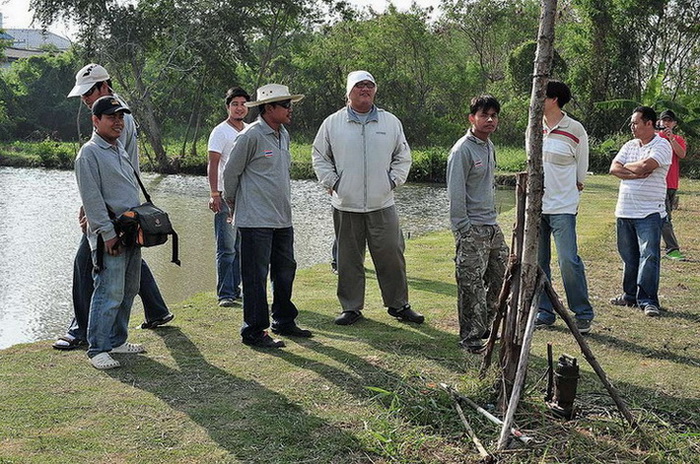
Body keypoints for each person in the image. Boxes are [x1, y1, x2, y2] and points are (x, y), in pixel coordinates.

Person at [53, 63, 173, 351]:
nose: (84, 99)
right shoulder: (104, 124)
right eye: (82, 94)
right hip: (115, 210)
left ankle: (85, 332)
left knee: (92, 265)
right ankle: (153, 311)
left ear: (104, 86)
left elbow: (121, 169)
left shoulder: (119, 117)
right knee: (122, 265)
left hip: (116, 211)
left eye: (88, 92)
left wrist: (100, 216)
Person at [312, 70, 423, 326]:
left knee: (392, 256)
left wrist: (392, 181)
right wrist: (333, 182)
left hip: (382, 203)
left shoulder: (390, 122)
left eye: (369, 85)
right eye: (359, 85)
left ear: (375, 90)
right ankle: (351, 308)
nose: (365, 89)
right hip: (346, 204)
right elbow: (319, 156)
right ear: (349, 92)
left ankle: (398, 305)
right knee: (349, 259)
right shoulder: (332, 123)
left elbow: (403, 156)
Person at [223, 84, 311, 348]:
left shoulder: (283, 134)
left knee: (285, 271)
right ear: (269, 108)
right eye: (285, 105)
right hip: (255, 220)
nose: (290, 109)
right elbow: (230, 174)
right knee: (255, 277)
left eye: (290, 104)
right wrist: (232, 202)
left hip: (282, 219)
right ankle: (253, 331)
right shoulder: (250, 136)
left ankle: (283, 320)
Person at [75, 96, 146, 369]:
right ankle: (98, 348)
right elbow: (91, 200)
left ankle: (117, 339)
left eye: (120, 117)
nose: (118, 122)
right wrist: (107, 234)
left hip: (131, 229)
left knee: (129, 288)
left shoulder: (120, 149)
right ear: (95, 120)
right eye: (111, 117)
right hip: (111, 233)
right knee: (108, 290)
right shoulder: (88, 154)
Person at [446, 95, 508, 352]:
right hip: (472, 229)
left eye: (494, 115)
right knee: (470, 286)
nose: (490, 120)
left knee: (501, 278)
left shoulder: (488, 146)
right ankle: (470, 339)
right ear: (472, 118)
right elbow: (456, 194)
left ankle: (488, 329)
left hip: (492, 227)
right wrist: (464, 230)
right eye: (484, 115)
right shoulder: (462, 150)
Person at [534, 81, 594, 334]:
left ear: (554, 99)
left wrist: (569, 192)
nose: (537, 101)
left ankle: (582, 313)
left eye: (542, 96)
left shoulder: (575, 129)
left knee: (568, 260)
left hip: (563, 206)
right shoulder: (535, 127)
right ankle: (544, 312)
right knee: (539, 262)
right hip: (535, 207)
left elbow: (581, 174)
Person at [609, 106, 672, 317]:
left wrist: (628, 167)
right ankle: (629, 295)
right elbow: (613, 168)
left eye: (635, 123)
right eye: (631, 123)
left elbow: (648, 164)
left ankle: (648, 300)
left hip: (649, 212)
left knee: (649, 256)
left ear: (649, 123)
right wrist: (635, 173)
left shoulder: (662, 144)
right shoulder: (630, 145)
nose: (632, 127)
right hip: (625, 210)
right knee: (629, 256)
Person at [207, 87, 250, 307]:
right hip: (225, 196)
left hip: (245, 197)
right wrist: (214, 193)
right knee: (226, 247)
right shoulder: (220, 132)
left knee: (241, 247)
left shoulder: (250, 131)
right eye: (235, 104)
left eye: (243, 104)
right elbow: (213, 163)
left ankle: (236, 289)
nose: (239, 108)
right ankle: (225, 293)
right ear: (228, 107)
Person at [657, 109, 688, 261]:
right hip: (658, 183)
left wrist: (671, 139)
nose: (666, 123)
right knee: (664, 217)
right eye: (664, 120)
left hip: (672, 183)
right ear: (659, 122)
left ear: (674, 123)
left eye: (669, 120)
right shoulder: (654, 138)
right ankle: (672, 249)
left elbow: (682, 154)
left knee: (664, 216)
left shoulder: (678, 139)